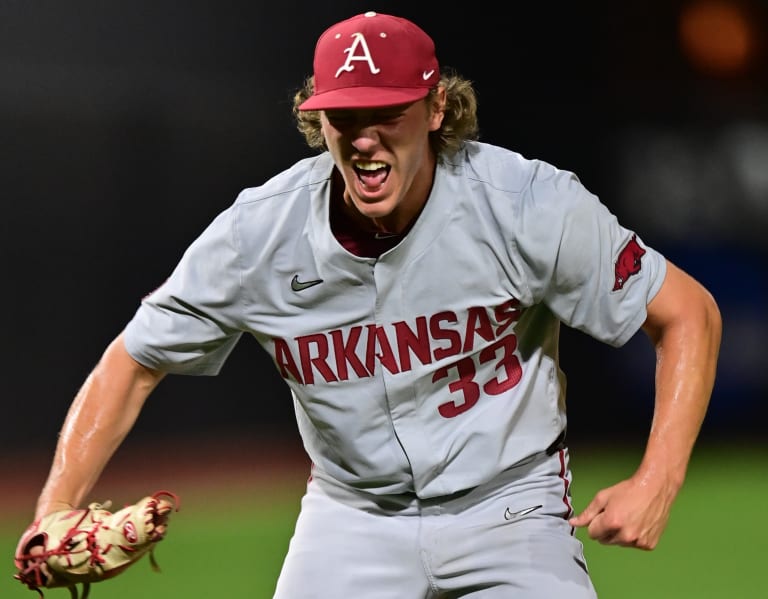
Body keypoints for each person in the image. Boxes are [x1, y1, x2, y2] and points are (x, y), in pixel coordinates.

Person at [23, 11, 721, 598]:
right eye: (343, 115)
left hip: (510, 505)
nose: (362, 137)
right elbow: (133, 359)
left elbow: (688, 313)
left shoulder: (526, 204)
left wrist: (659, 477)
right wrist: (53, 508)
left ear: (437, 107)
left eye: (386, 110)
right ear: (316, 119)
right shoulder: (258, 232)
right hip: (352, 514)